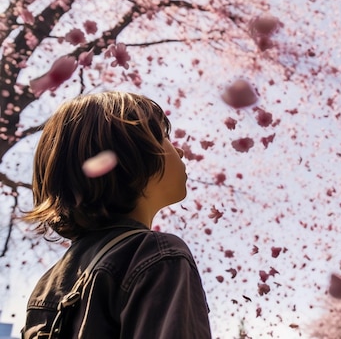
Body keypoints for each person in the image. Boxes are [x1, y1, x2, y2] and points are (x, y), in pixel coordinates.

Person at [20, 92, 212, 338]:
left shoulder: (47, 285)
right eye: (164, 137)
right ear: (133, 155)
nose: (181, 151)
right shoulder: (156, 254)